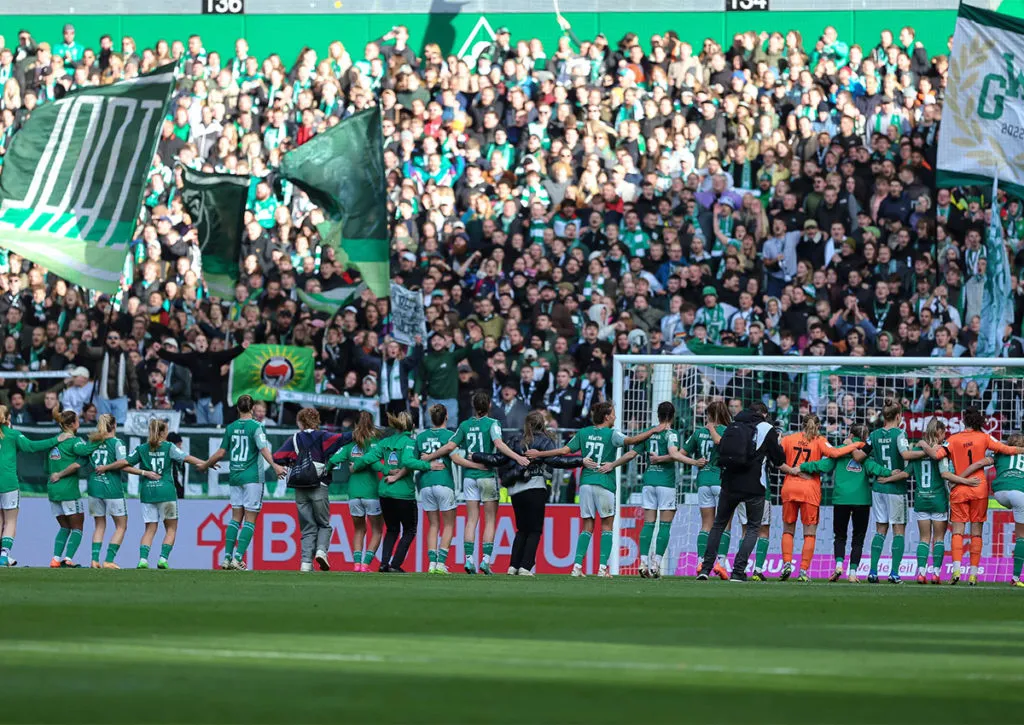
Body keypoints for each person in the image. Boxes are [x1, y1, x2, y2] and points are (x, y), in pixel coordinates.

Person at [527, 401, 664, 578]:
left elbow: (563, 451)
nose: (615, 416)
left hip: (585, 484)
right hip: (604, 483)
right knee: (607, 527)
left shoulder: (583, 432)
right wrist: (652, 430)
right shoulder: (612, 434)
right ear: (607, 417)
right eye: (613, 413)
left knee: (587, 527)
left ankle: (576, 567)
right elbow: (632, 441)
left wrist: (538, 454)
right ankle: (601, 569)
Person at [424, 390, 528, 575]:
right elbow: (499, 444)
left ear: (474, 407)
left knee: (472, 519)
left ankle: (469, 560)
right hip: (487, 475)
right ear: (488, 406)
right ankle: (486, 561)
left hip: (469, 477)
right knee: (490, 519)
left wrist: (430, 456)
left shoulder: (464, 425)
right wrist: (517, 457)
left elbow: (449, 447)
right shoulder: (493, 423)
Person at [920, 406, 1024, 585]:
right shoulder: (984, 438)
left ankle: (956, 570)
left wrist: (923, 444)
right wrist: (1020, 450)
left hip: (959, 488)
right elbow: (1006, 450)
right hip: (979, 488)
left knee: (958, 532)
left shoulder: (953, 439)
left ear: (963, 420)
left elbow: (936, 455)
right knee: (976, 532)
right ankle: (974, 575)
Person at [469, 410, 581, 575]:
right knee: (534, 530)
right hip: (535, 487)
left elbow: (499, 459)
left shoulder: (515, 440)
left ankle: (513, 565)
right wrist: (580, 461)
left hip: (516, 490)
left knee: (521, 529)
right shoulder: (545, 441)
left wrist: (477, 456)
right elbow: (557, 461)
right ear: (542, 424)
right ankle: (525, 567)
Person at [99, 418, 207, 569]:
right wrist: (206, 463)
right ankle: (163, 558)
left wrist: (107, 467)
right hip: (166, 492)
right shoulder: (169, 447)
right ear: (163, 432)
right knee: (171, 528)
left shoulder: (142, 448)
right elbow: (187, 458)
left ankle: (143, 560)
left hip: (148, 493)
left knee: (150, 529)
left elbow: (124, 463)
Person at [697, 401, 785, 582]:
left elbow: (722, 449)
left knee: (718, 525)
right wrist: (778, 443)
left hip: (729, 483)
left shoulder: (734, 425)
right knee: (753, 528)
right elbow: (778, 459)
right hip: (754, 486)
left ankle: (705, 568)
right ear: (763, 414)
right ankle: (738, 571)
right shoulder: (766, 429)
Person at [799, 424, 894, 583]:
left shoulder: (840, 450)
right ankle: (852, 573)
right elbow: (874, 468)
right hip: (861, 500)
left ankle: (838, 566)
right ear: (865, 437)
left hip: (841, 499)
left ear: (850, 434)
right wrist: (891, 472)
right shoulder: (864, 453)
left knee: (840, 535)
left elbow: (823, 465)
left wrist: (803, 466)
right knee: (859, 537)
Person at [201, 395, 286, 570]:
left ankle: (226, 557)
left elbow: (220, 453)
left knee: (234, 518)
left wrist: (205, 464)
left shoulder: (231, 427)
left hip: (235, 477)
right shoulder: (257, 427)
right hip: (252, 477)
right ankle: (238, 558)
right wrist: (275, 466)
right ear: (253, 408)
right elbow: (263, 449)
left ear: (237, 408)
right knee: (250, 519)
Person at [352, 411, 442, 573]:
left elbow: (368, 458)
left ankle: (383, 563)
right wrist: (429, 465)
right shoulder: (410, 442)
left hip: (385, 492)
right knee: (409, 530)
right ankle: (395, 564)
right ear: (412, 426)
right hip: (403, 494)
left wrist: (379, 469)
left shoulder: (385, 442)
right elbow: (408, 461)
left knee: (392, 529)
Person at [777, 414, 864, 582]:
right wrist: (858, 444)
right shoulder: (820, 441)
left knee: (788, 529)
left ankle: (787, 564)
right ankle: (802, 571)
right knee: (809, 533)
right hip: (809, 490)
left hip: (789, 487)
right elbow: (836, 453)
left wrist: (791, 470)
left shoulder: (788, 439)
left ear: (802, 425)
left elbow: (776, 459)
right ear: (817, 426)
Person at [272, 407, 350, 572]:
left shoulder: (294, 438)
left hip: (300, 487)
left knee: (307, 527)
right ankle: (321, 551)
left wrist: (293, 462)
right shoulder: (324, 436)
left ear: (300, 422)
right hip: (319, 485)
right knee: (324, 524)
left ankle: (306, 563)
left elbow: (278, 457)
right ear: (316, 421)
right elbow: (344, 438)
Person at [415, 404, 485, 574]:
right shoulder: (450, 436)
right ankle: (440, 564)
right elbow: (456, 459)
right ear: (446, 417)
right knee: (448, 524)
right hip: (444, 482)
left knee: (433, 525)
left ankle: (431, 564)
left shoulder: (421, 436)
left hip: (425, 484)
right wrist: (477, 465)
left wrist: (428, 463)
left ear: (431, 418)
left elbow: (415, 460)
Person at [639, 401, 704, 578]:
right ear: (672, 416)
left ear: (657, 414)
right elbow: (675, 454)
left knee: (648, 524)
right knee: (665, 524)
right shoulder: (671, 433)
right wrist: (694, 462)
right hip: (665, 484)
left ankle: (643, 561)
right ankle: (655, 564)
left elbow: (632, 453)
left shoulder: (649, 432)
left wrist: (613, 464)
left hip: (648, 481)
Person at [0, 405, 67, 567]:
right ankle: (3, 555)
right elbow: (32, 446)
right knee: (10, 521)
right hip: (8, 482)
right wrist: (56, 439)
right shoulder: (12, 435)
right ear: (8, 419)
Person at [85, 415, 145, 569]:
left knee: (99, 525)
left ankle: (94, 560)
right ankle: (108, 560)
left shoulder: (92, 442)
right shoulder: (117, 443)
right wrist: (143, 473)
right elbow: (123, 464)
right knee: (121, 526)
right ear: (115, 425)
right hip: (111, 489)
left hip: (93, 487)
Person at [865, 402, 915, 584]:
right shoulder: (900, 434)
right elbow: (905, 455)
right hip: (896, 489)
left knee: (880, 529)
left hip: (878, 488)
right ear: (898, 416)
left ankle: (872, 571)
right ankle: (894, 573)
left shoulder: (873, 435)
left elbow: (863, 456)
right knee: (899, 531)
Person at [328, 411, 384, 572]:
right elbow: (376, 463)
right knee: (377, 530)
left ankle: (357, 564)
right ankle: (366, 564)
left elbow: (333, 460)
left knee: (359, 529)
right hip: (371, 492)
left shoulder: (350, 445)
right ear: (372, 424)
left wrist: (327, 471)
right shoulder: (375, 444)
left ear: (355, 424)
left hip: (353, 493)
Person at [969, 433, 1024, 586]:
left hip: (999, 493)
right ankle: (1015, 578)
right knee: (1021, 538)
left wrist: (963, 476)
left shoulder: (1000, 453)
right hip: (1019, 494)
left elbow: (979, 463)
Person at [682, 401, 728, 578]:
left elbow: (679, 453)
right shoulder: (726, 431)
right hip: (721, 480)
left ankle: (701, 561)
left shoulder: (699, 432)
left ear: (709, 414)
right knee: (725, 525)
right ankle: (721, 564)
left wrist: (695, 462)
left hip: (703, 482)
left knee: (706, 525)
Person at [45, 408, 95, 568]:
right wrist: (99, 438)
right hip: (68, 491)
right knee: (77, 527)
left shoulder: (55, 442)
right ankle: (68, 559)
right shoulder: (75, 441)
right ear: (73, 424)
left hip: (53, 490)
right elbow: (86, 450)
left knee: (64, 526)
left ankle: (55, 559)